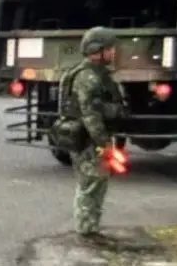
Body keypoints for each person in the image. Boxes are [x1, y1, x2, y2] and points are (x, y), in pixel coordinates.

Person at [58, 26, 127, 245]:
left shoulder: (96, 74)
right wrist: (104, 144)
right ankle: (87, 232)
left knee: (97, 182)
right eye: (110, 49)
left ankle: (90, 228)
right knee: (91, 183)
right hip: (88, 140)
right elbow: (90, 115)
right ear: (97, 50)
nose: (114, 53)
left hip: (91, 139)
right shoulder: (87, 77)